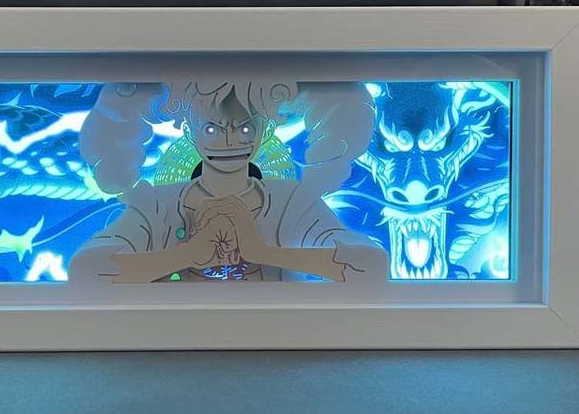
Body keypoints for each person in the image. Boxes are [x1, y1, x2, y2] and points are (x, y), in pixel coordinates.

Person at [69, 79, 388, 285]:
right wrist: (187, 254)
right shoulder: (157, 206)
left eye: (245, 129)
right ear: (190, 132)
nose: (229, 141)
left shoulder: (292, 203)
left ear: (264, 131)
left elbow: (369, 266)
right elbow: (86, 271)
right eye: (211, 129)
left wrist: (261, 251)